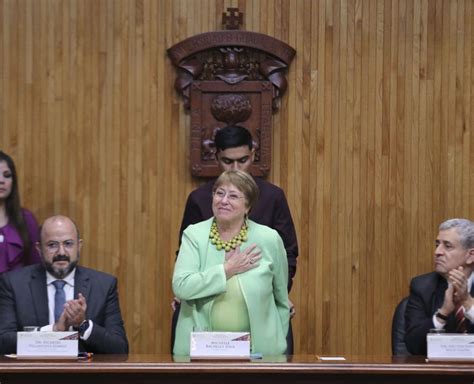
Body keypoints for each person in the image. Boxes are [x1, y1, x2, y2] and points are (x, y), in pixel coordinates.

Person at [172, 125, 298, 352]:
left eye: (242, 160)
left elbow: (287, 256)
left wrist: (272, 299)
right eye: (228, 162)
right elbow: (183, 257)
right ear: (218, 158)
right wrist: (222, 272)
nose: (236, 167)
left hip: (259, 320)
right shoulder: (199, 202)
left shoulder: (272, 199)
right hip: (204, 323)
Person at [0, 215, 129, 354]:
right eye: (52, 245)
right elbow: (3, 342)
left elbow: (120, 348)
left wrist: (82, 325)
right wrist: (53, 331)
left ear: (79, 246)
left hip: (84, 374)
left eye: (68, 244)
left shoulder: (103, 285)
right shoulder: (13, 283)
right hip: (33, 373)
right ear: (39, 249)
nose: (61, 252)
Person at [405, 218, 474, 355]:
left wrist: (467, 302)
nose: (437, 251)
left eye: (447, 246)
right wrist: (443, 313)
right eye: (437, 244)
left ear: (470, 256)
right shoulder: (422, 287)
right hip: (439, 373)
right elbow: (413, 346)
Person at [0, 151, 41, 273]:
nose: (1, 180)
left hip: (15, 290)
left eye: (7, 175)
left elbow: (36, 264)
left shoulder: (26, 219)